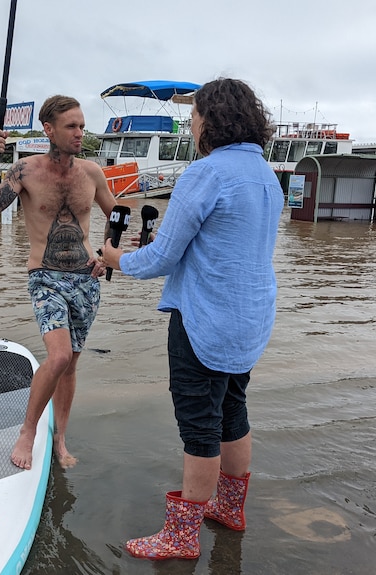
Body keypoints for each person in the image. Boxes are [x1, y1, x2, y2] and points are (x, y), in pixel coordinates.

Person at [101, 78, 284, 560]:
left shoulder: (205, 173)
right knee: (232, 412)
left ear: (212, 119)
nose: (192, 123)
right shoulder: (266, 174)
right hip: (250, 318)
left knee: (199, 426)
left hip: (205, 320)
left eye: (195, 115)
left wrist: (115, 258)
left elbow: (161, 257)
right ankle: (229, 509)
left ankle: (181, 538)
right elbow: (222, 245)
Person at [0, 95, 117, 470]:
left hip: (86, 281)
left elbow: (118, 218)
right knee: (58, 356)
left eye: (82, 126)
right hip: (44, 276)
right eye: (71, 126)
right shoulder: (25, 171)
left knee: (70, 366)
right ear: (48, 129)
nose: (79, 133)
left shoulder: (92, 173)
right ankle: (28, 431)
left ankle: (60, 437)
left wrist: (106, 257)